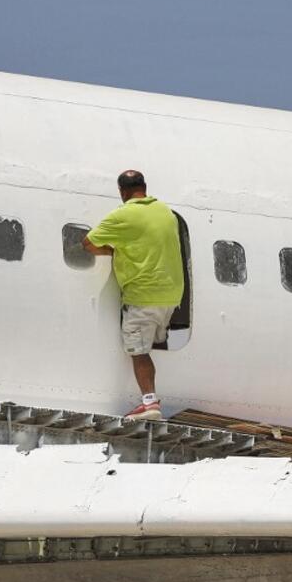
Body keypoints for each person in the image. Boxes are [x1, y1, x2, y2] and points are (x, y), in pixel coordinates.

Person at [83, 170, 184, 421]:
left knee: (138, 351)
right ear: (145, 187)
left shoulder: (123, 215)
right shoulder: (165, 211)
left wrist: (114, 251)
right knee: (154, 339)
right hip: (171, 294)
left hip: (143, 295)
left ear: (122, 191)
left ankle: (149, 403)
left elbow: (89, 243)